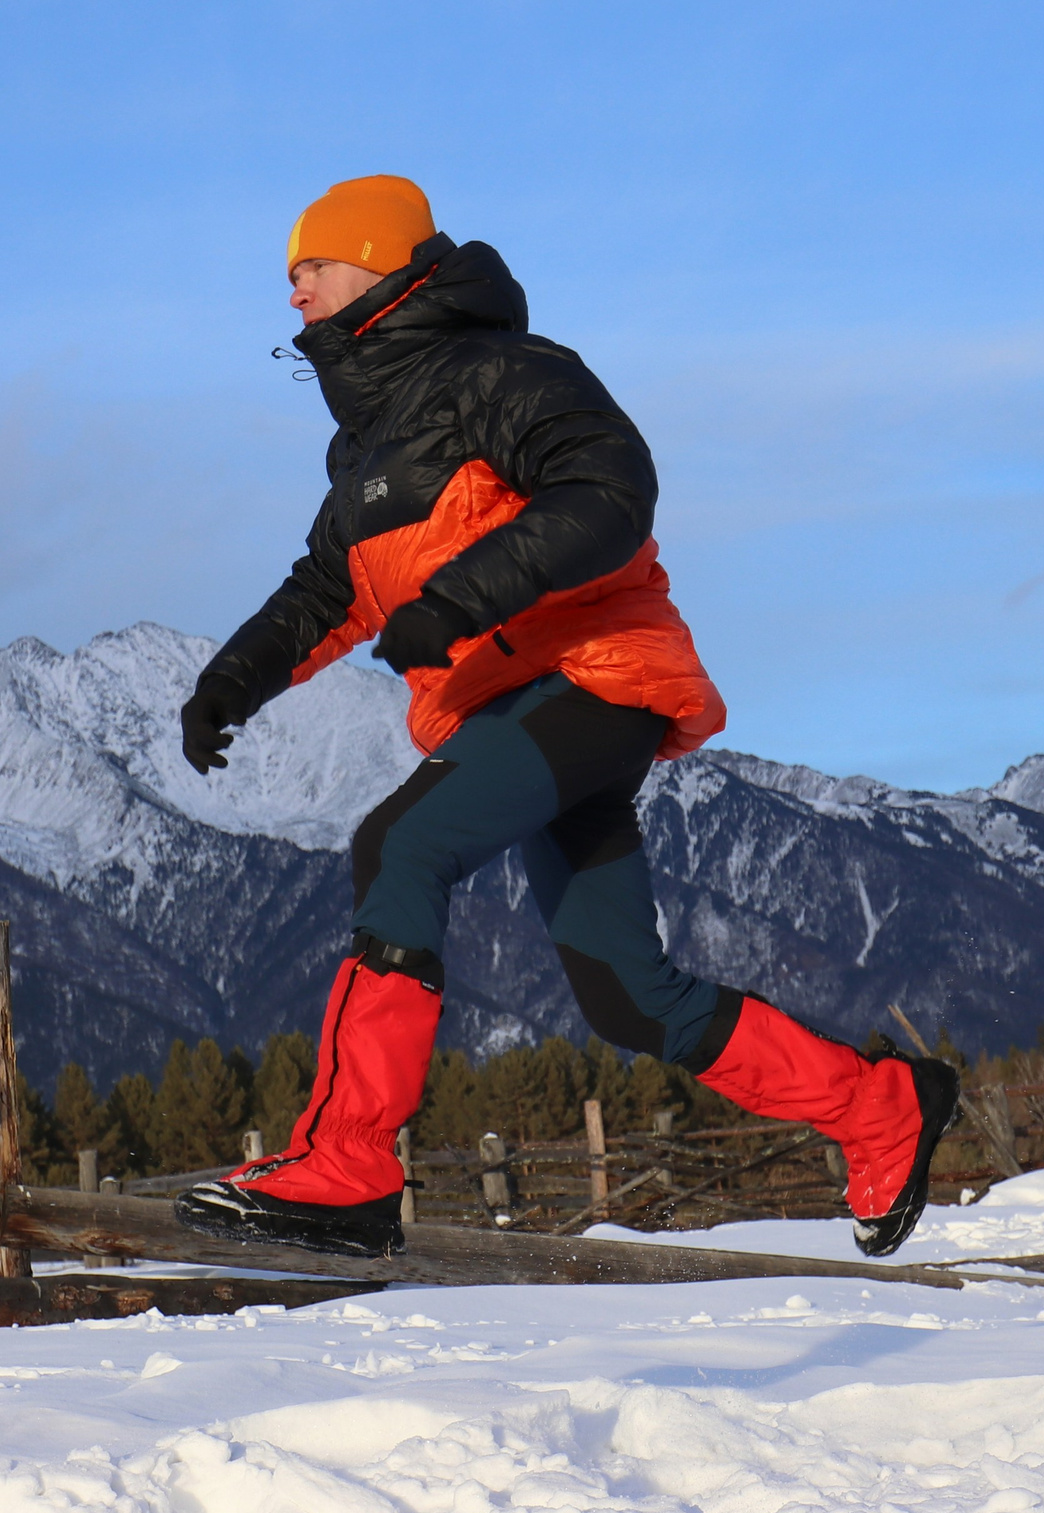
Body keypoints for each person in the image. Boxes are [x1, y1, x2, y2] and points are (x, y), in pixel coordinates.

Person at [173, 175, 959, 1261]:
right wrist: (228, 685)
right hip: (508, 713)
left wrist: (458, 599)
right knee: (628, 996)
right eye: (289, 272)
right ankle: (878, 1108)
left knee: (400, 846)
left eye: (313, 261)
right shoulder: (365, 449)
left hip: (590, 676)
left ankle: (349, 1162)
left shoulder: (503, 372)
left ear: (383, 263)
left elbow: (606, 492)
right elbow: (327, 593)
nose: (294, 284)